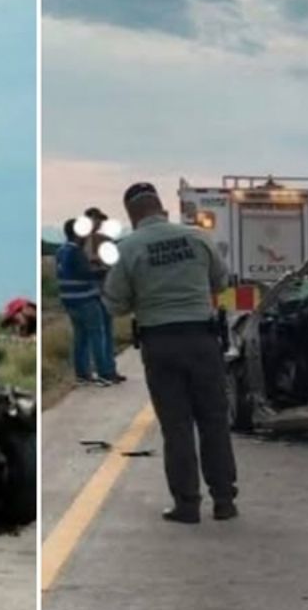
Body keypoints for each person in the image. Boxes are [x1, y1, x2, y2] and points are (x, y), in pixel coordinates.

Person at [103, 182, 239, 523]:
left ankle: (187, 504)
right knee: (214, 422)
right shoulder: (197, 238)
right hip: (202, 340)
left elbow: (115, 304)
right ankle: (224, 500)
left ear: (132, 215)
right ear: (160, 207)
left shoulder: (129, 248)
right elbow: (221, 283)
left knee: (176, 427)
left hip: (160, 343)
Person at [56, 218, 118, 386]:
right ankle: (104, 374)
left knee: (80, 338)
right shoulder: (76, 251)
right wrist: (103, 271)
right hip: (85, 299)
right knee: (98, 336)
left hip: (70, 301)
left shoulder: (61, 251)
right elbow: (85, 273)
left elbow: (72, 271)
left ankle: (82, 374)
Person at [84, 207, 126, 383]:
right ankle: (104, 371)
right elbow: (88, 260)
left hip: (104, 289)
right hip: (94, 291)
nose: (100, 223)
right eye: (98, 220)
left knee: (105, 332)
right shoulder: (85, 240)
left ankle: (109, 368)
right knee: (100, 333)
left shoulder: (99, 239)